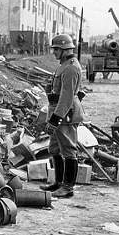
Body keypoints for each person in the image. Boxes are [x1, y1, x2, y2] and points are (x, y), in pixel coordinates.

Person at [41, 34, 85, 198]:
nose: (54, 52)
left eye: (56, 49)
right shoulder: (64, 65)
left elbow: (66, 98)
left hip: (65, 115)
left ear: (65, 49)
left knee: (68, 149)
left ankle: (68, 187)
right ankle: (59, 183)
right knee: (54, 148)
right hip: (58, 111)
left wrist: (55, 120)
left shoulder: (71, 67)